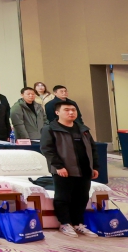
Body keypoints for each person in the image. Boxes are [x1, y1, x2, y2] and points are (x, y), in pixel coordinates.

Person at [40, 101, 100, 237]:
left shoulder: (83, 129)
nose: (71, 112)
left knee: (82, 197)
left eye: (73, 110)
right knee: (63, 197)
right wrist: (58, 166)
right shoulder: (50, 129)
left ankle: (78, 223)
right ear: (57, 112)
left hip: (84, 169)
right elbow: (47, 149)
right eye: (66, 110)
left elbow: (93, 149)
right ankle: (65, 223)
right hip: (63, 170)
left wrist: (95, 166)